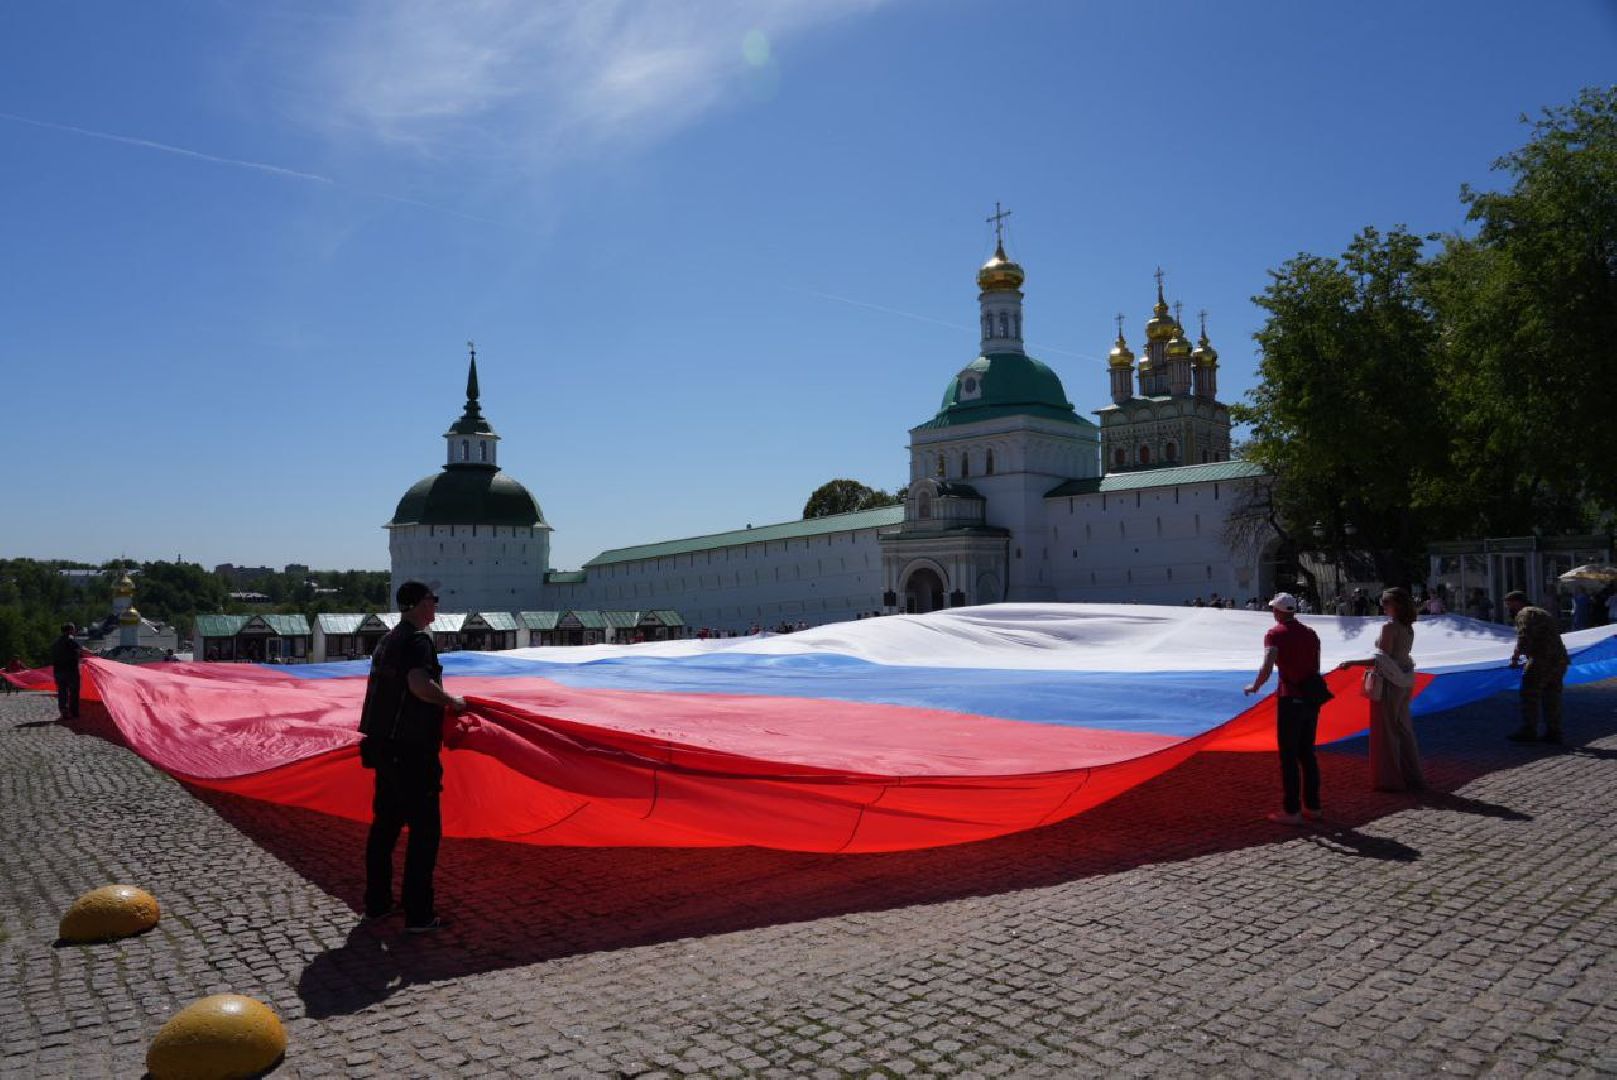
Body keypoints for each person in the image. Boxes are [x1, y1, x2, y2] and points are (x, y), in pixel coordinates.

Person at [358, 581, 470, 932]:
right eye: (431, 600)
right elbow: (419, 685)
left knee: (385, 828)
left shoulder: (387, 641)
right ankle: (419, 914)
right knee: (425, 833)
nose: (435, 605)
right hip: (411, 752)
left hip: (383, 748)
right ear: (416, 605)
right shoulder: (418, 642)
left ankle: (377, 905)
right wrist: (451, 702)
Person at [1245, 592, 1325, 825]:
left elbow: (1268, 664)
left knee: (1288, 757)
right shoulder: (1311, 634)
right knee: (1307, 754)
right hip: (1311, 698)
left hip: (1290, 699)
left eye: (1273, 609)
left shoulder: (1275, 634)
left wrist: (1256, 685)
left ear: (1279, 611)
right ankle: (1314, 807)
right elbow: (1316, 666)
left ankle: (1292, 811)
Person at [1354, 587, 1422, 791]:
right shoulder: (1408, 627)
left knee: (1387, 731)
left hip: (1390, 685)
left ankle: (1390, 779)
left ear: (1396, 605)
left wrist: (1351, 662)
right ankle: (1412, 776)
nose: (1382, 607)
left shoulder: (1390, 627)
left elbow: (1381, 659)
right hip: (1404, 682)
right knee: (1404, 729)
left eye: (1385, 603)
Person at [1504, 590, 1569, 745]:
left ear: (1516, 602)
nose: (1509, 609)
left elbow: (1523, 637)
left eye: (1509, 605)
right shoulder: (1541, 612)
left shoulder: (1524, 614)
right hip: (1559, 660)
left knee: (1529, 694)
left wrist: (1515, 658)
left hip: (1541, 659)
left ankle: (1529, 730)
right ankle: (1554, 732)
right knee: (1552, 696)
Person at [50, 623, 84, 721]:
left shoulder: (56, 642)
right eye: (73, 629)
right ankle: (74, 712)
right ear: (70, 630)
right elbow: (79, 650)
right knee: (74, 692)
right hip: (71, 670)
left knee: (62, 692)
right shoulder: (70, 639)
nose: (74, 631)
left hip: (58, 671)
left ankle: (64, 710)